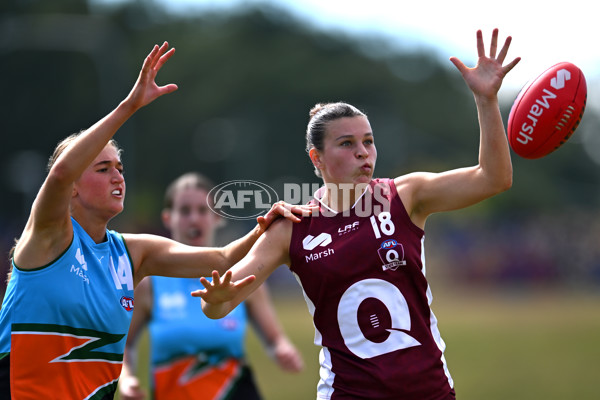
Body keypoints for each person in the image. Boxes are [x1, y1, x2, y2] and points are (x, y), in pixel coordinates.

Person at [193, 29, 520, 399]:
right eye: (347, 144)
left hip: (429, 391)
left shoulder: (406, 196)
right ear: (316, 158)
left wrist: (486, 100)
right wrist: (216, 295)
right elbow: (219, 304)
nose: (363, 152)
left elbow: (494, 179)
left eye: (368, 141)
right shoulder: (292, 227)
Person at [0, 42, 309, 399]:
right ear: (72, 189)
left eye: (120, 168)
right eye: (103, 169)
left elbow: (223, 258)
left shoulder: (133, 253)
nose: (118, 177)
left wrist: (264, 227)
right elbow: (60, 173)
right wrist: (130, 106)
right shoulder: (48, 240)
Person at [118, 172, 304, 400]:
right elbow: (124, 346)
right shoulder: (149, 284)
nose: (194, 219)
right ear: (168, 219)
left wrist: (282, 349)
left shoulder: (243, 274)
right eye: (185, 211)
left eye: (202, 210)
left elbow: (275, 339)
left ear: (217, 217)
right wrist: (127, 379)